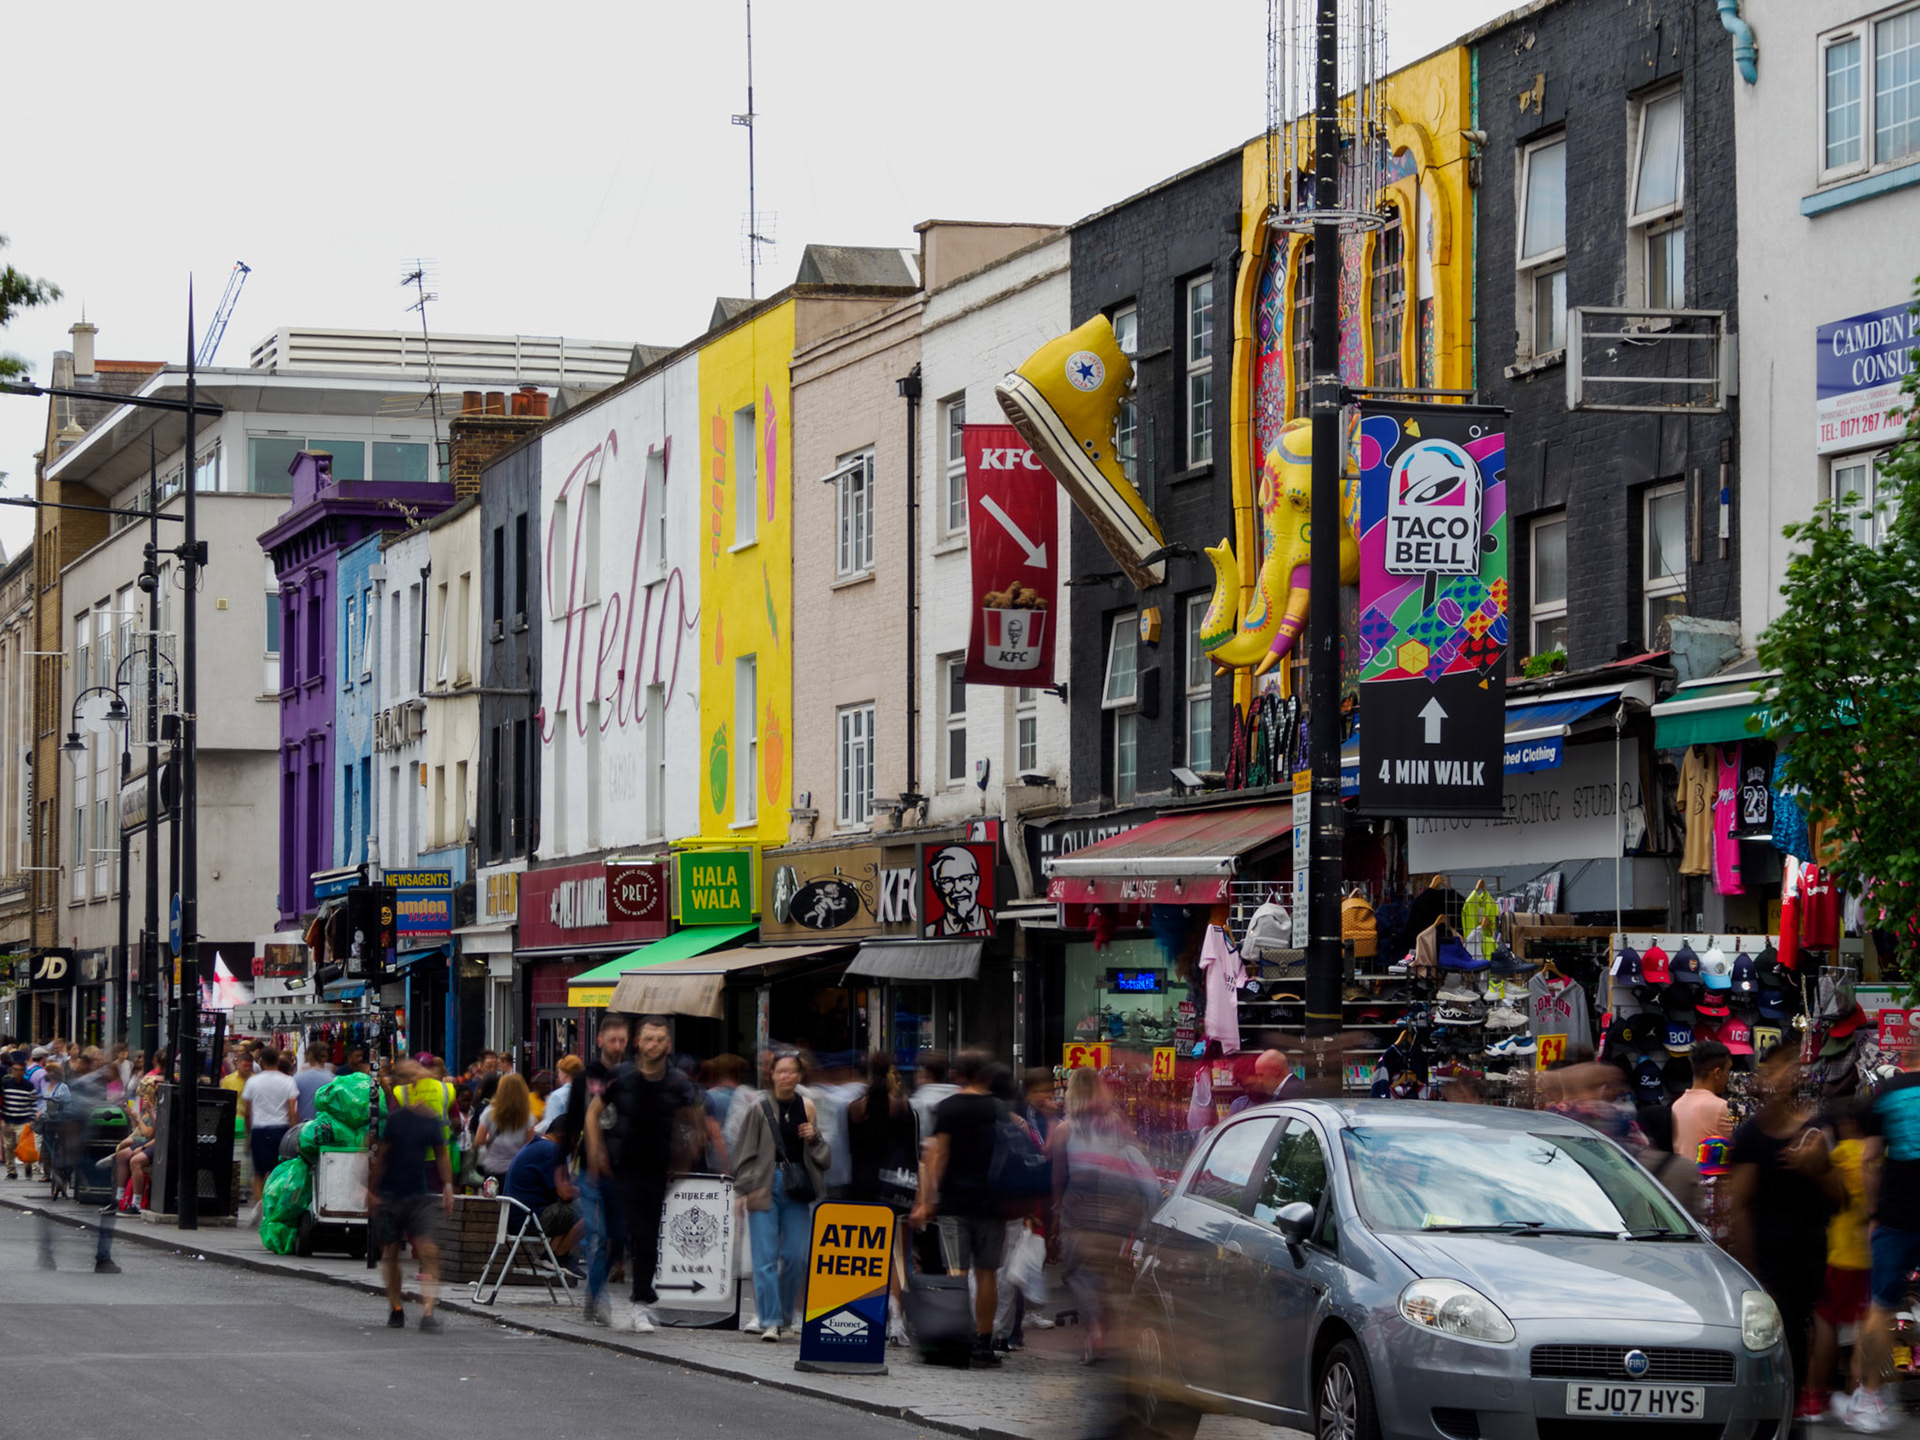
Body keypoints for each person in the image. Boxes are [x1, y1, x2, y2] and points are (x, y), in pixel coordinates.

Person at [1728, 1046, 1843, 1423]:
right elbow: (1739, 1207)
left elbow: (1841, 1197)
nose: (1781, 1077)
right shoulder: (1751, 1138)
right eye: (1774, 1070)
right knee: (1781, 1347)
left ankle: (1793, 1413)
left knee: (1804, 1335)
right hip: (1770, 1263)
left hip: (1811, 1255)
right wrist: (1751, 1274)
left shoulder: (1818, 1129)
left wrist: (1820, 1169)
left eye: (1788, 1068)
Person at [587, 1015, 701, 1335]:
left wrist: (686, 1157)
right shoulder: (619, 1076)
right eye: (648, 1039)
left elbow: (695, 1121)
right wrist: (595, 1151)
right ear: (638, 1041)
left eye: (659, 1040)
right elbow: (593, 1113)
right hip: (618, 1167)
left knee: (646, 1237)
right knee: (617, 1236)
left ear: (669, 1044)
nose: (653, 1045)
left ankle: (640, 1304)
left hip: (655, 1169)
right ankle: (597, 1294)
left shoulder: (679, 1082)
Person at [1049, 1066, 1157, 1364]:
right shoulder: (1118, 1126)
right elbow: (1135, 1162)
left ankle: (1095, 1332)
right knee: (1110, 1274)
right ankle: (1114, 1335)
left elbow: (1058, 1178)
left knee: (1080, 1274)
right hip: (1119, 1214)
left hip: (1080, 1213)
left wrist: (1057, 1213)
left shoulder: (1064, 1130)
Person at [911, 1049, 1005, 1368]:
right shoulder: (998, 1108)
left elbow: (938, 1155)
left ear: (959, 1074)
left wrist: (925, 1200)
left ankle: (957, 1339)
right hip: (992, 1202)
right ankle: (983, 1343)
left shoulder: (947, 1108)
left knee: (957, 1273)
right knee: (988, 1273)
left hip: (953, 1202)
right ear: (987, 1075)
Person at [734, 1050, 830, 1342]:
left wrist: (813, 1136)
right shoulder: (758, 1107)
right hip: (764, 1183)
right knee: (764, 1256)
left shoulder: (808, 1106)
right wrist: (742, 1190)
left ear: (799, 1076)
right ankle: (771, 1320)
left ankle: (787, 1314)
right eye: (781, 1071)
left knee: (797, 1256)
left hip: (797, 1185)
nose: (786, 1076)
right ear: (772, 1075)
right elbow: (744, 1151)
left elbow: (822, 1155)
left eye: (792, 1071)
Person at [1853, 1037, 1920, 1434]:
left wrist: (1873, 1213)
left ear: (1904, 1058)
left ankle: (1867, 1397)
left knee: (1880, 1308)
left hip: (1896, 1215)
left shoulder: (1886, 1093)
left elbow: (1866, 1162)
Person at [369, 1060, 453, 1331]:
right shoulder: (394, 1119)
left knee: (428, 1250)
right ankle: (396, 1307)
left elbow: (441, 1153)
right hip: (391, 1193)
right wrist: (372, 1191)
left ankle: (428, 1312)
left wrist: (449, 1186)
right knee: (391, 1251)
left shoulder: (431, 1120)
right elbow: (382, 1156)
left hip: (419, 1193)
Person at [1811, 1098, 1878, 1430]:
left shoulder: (1837, 1157)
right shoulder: (1875, 1156)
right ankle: (1856, 1394)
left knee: (1826, 1323)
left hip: (1838, 1254)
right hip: (1867, 1255)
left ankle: (1818, 1394)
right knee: (1863, 1326)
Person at [847, 1051, 918, 1346]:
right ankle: (896, 1319)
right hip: (895, 1187)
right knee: (897, 1256)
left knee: (866, 1253)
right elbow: (915, 1153)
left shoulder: (855, 1109)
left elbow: (851, 1150)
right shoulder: (902, 1108)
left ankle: (867, 1314)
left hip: (863, 1186)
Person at [574, 1019, 631, 1326]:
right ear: (599, 1040)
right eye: (613, 1040)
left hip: (622, 1170)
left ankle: (594, 1291)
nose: (617, 1046)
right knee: (597, 1233)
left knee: (617, 1238)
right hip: (591, 1169)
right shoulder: (587, 1077)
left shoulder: (632, 1077)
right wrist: (560, 1166)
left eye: (622, 1040)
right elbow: (574, 1119)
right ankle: (599, 1297)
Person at [504, 1120, 583, 1261]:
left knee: (569, 1210)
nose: (576, 1146)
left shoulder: (538, 1146)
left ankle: (553, 1255)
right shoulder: (552, 1151)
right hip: (529, 1220)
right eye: (575, 1140)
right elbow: (566, 1194)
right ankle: (558, 1256)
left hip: (517, 1219)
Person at [241, 1047, 299, 1222]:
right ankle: (273, 1206)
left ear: (261, 1062)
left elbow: (247, 1112)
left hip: (259, 1129)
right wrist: (294, 1132)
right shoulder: (288, 1081)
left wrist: (248, 1134)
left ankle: (260, 1203)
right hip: (281, 1130)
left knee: (258, 1172)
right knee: (279, 1172)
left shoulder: (253, 1082)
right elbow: (292, 1112)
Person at [1670, 1040, 1732, 1162]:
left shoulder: (1677, 1105)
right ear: (1717, 1073)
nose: (1729, 1076)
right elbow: (1740, 1150)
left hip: (1684, 1177)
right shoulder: (1720, 1108)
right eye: (1728, 1070)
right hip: (1709, 1179)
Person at [476, 1071, 534, 1183]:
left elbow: (479, 1140)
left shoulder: (489, 1113)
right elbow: (530, 1145)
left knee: (494, 1200)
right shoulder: (528, 1117)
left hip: (492, 1169)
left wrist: (490, 1139)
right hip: (517, 1170)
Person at [1227, 1049, 1303, 1114]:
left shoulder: (1289, 1094)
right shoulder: (1240, 1105)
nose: (1247, 1091)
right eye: (1244, 1087)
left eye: (1251, 1085)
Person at [3, 1056, 35, 1180]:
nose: (17, 1072)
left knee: (23, 1146)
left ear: (24, 1071)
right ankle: (11, 1171)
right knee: (8, 1147)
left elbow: (33, 1103)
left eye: (20, 1070)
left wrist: (31, 1119)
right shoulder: (6, 1084)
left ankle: (28, 1166)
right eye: (15, 1069)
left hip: (23, 1120)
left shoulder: (28, 1085)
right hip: (8, 1119)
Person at [294, 1043, 334, 1124]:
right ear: (325, 1058)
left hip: (303, 1127)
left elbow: (293, 1108)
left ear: (309, 1057)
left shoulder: (297, 1078)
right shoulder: (332, 1080)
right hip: (325, 1127)